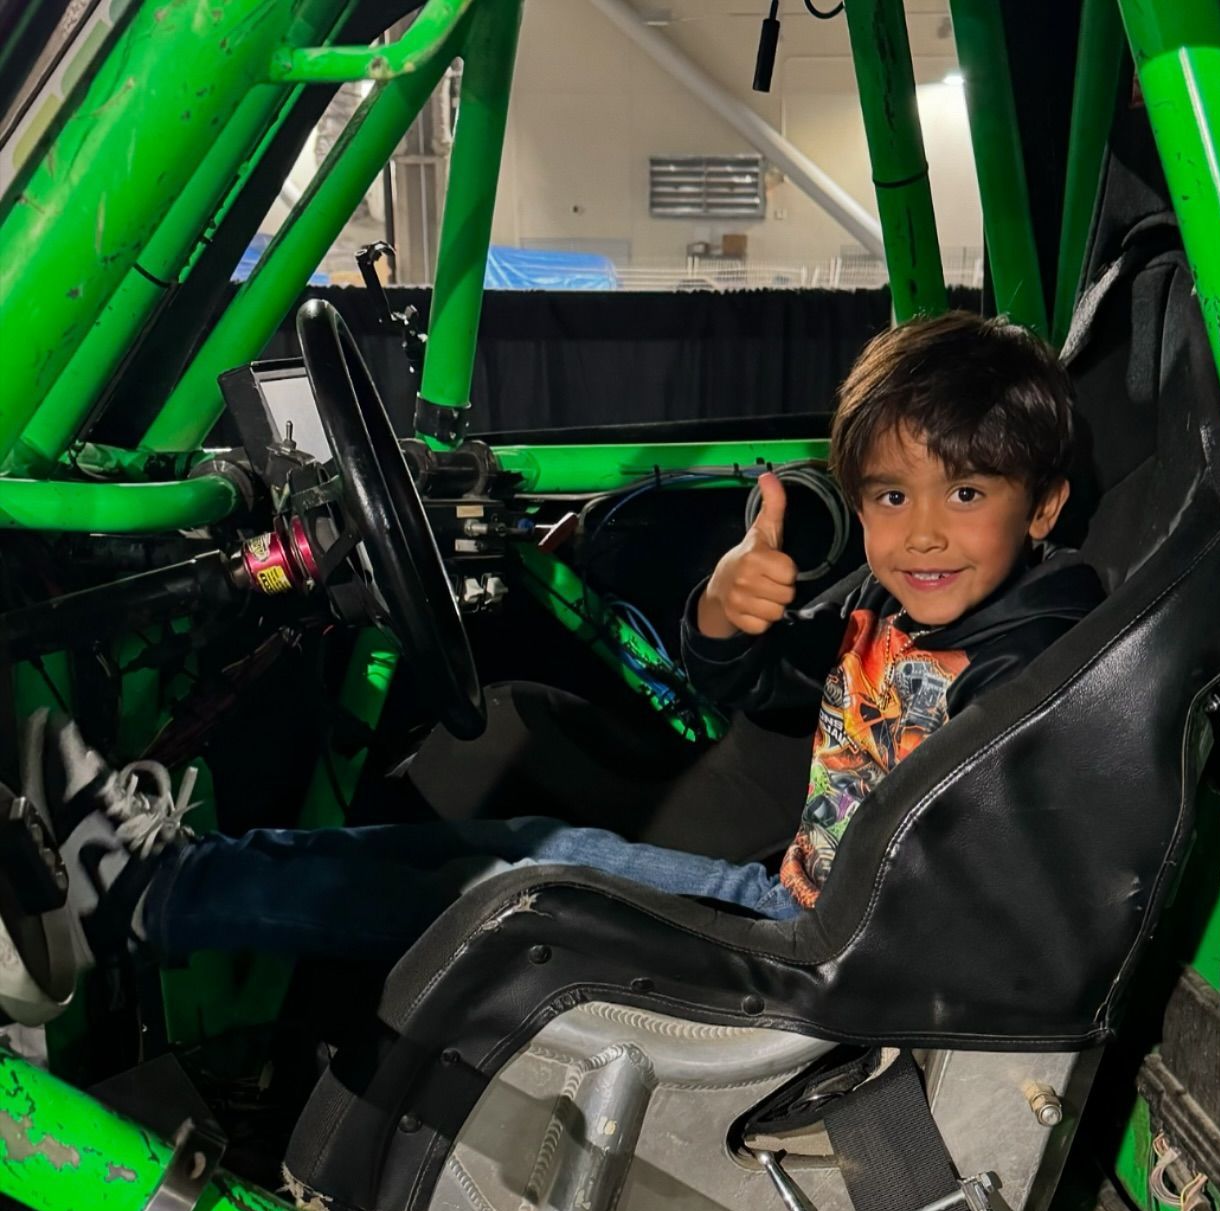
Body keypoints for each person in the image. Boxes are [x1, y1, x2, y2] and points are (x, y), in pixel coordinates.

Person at [22, 312, 1103, 981]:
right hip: (797, 899)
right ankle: (170, 885)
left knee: (515, 880)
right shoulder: (890, 597)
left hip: (832, 949)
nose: (923, 531)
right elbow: (758, 686)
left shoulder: (1037, 652)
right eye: (889, 495)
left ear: (1043, 506)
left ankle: (153, 899)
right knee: (520, 840)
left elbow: (984, 860)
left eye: (967, 494)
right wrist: (724, 616)